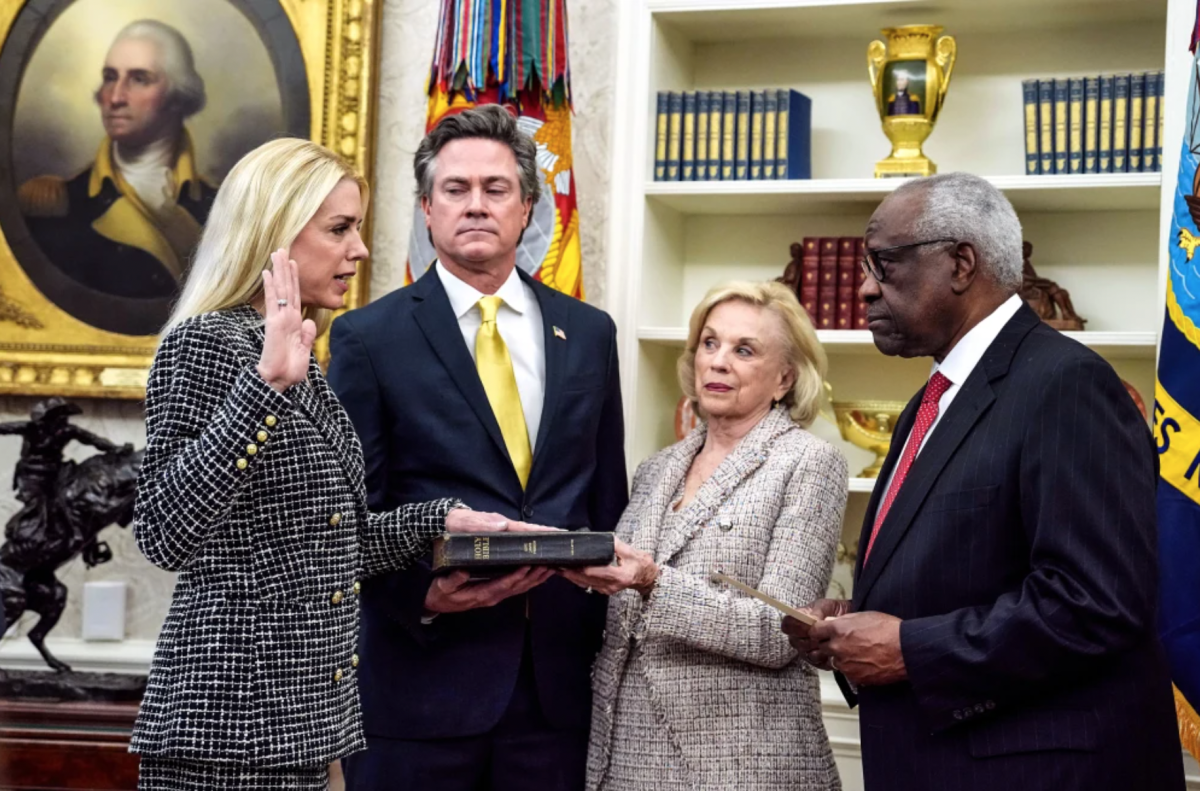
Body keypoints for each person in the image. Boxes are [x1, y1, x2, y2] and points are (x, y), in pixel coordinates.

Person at [129, 137, 523, 790]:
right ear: (275, 235)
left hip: (312, 731)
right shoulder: (205, 344)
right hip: (227, 738)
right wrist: (266, 387)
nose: (360, 250)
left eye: (358, 229)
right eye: (339, 229)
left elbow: (330, 539)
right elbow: (164, 533)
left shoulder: (304, 354)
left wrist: (438, 518)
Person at [783, 172, 1185, 790]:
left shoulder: (1067, 385)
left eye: (883, 263)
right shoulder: (932, 399)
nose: (863, 288)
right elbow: (969, 572)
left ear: (961, 263)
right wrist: (854, 621)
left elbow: (1095, 603)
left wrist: (909, 648)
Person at [327, 104, 628, 791]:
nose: (476, 205)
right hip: (417, 687)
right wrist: (426, 597)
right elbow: (346, 520)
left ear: (527, 207)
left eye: (496, 189)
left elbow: (606, 497)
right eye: (455, 190)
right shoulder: (367, 339)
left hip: (555, 692)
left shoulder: (588, 333)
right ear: (427, 210)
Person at [561, 281, 846, 791]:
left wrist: (652, 582)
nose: (717, 362)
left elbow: (780, 632)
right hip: (624, 755)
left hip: (743, 765)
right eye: (709, 344)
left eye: (744, 350)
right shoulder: (655, 469)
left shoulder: (809, 463)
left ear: (785, 377)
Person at [18, 19, 216, 306]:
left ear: (178, 95)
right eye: (110, 77)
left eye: (139, 79)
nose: (115, 97)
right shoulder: (54, 206)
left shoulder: (223, 205)